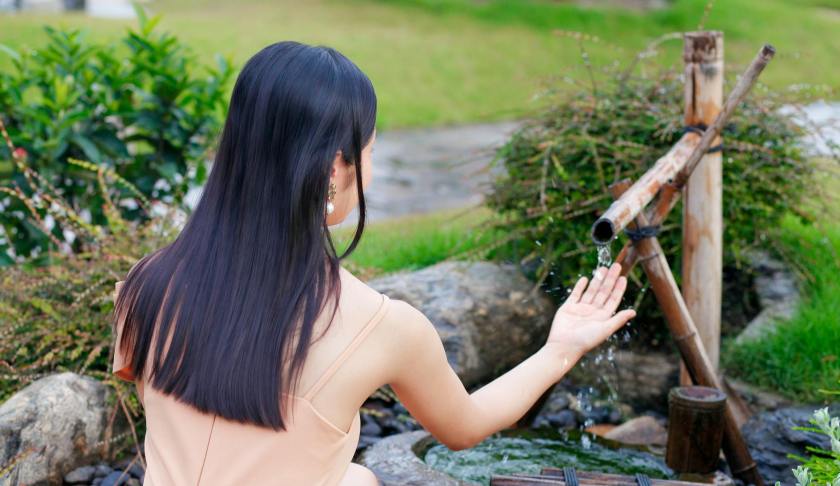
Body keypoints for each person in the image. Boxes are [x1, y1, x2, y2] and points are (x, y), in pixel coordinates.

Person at [110, 40, 636, 486]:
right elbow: (465, 427)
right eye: (369, 151)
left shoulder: (145, 286)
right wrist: (561, 349)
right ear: (333, 169)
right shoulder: (382, 326)